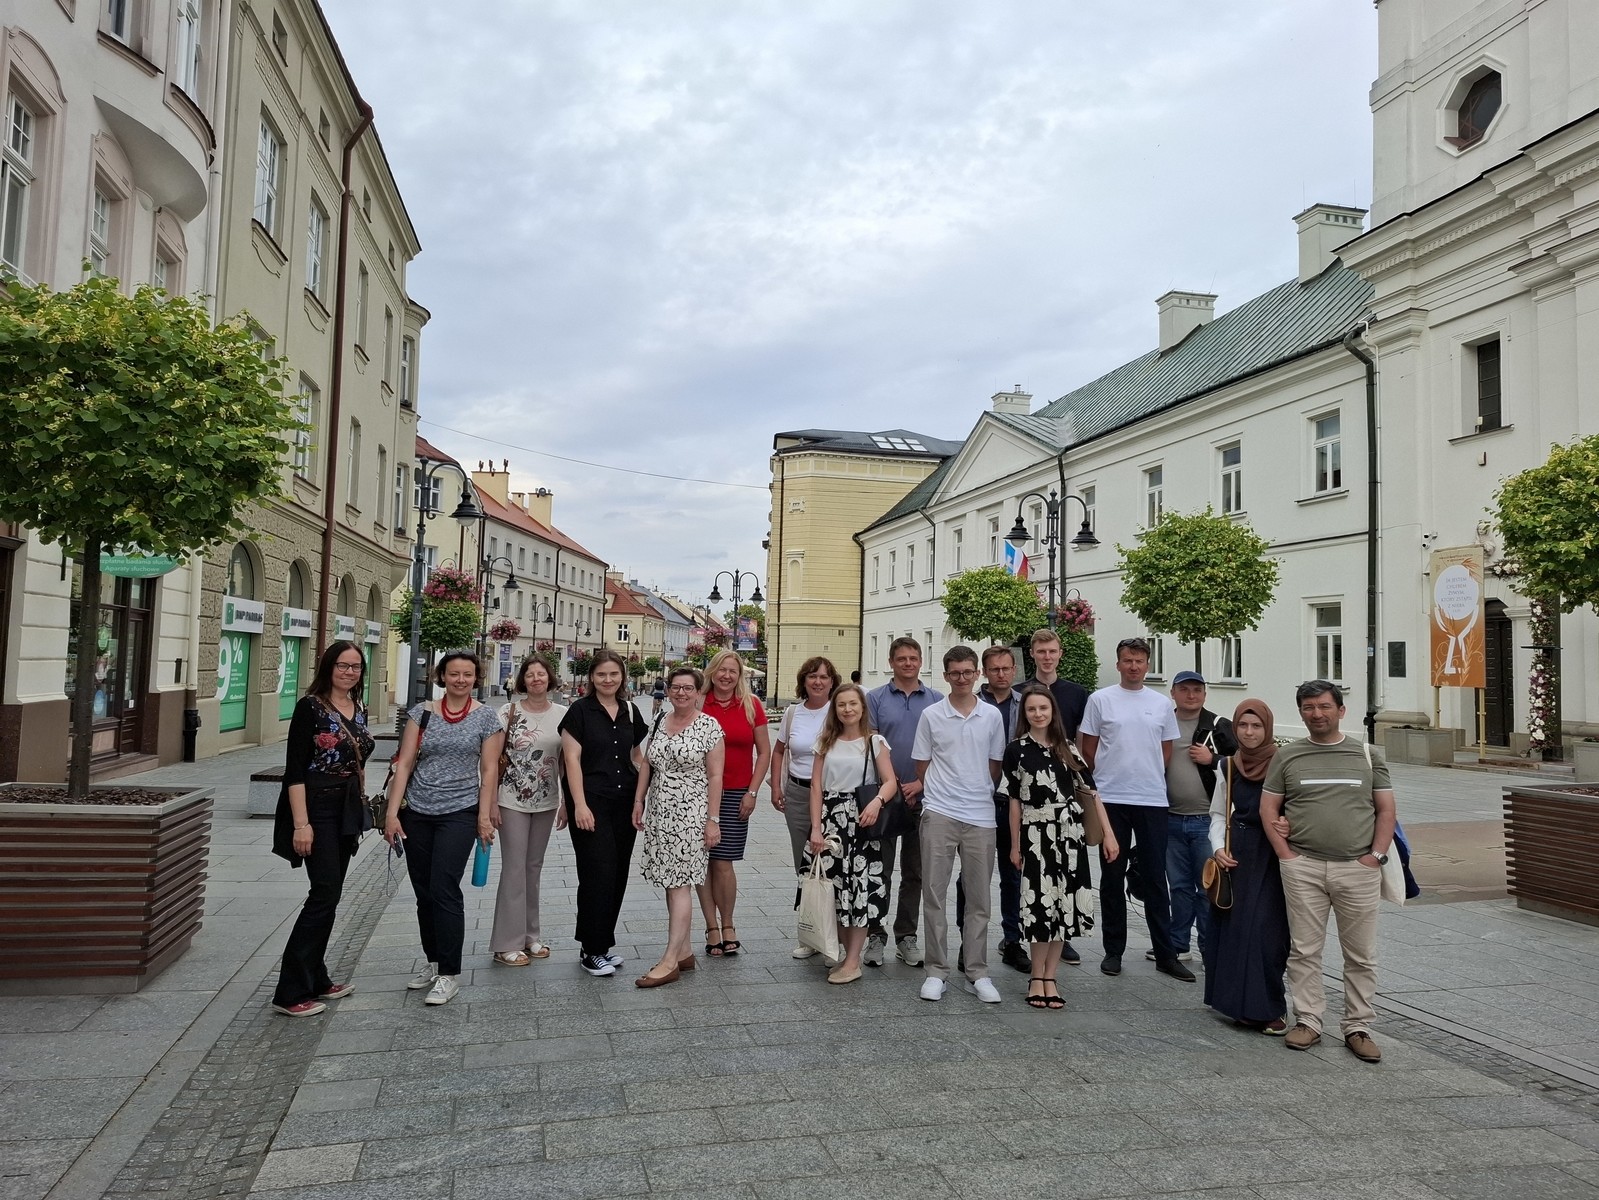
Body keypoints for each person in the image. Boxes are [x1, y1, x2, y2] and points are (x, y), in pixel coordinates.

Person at [1261, 681, 1396, 1063]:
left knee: (1361, 954)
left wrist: (1375, 857)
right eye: (1308, 707)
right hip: (1303, 867)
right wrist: (1287, 857)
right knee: (1304, 950)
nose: (1316, 714)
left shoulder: (1366, 755)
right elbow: (1269, 809)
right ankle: (1308, 1021)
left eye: (1323, 706)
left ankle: (1358, 1026)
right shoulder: (1288, 756)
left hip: (1357, 868)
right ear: (1301, 712)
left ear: (1341, 710)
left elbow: (1386, 809)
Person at [383, 650, 505, 1007]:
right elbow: (405, 764)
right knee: (423, 891)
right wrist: (392, 814)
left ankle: (449, 973)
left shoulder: (486, 717)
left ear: (476, 678)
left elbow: (489, 770)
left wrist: (484, 816)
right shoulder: (421, 713)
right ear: (443, 676)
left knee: (444, 887)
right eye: (454, 674)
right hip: (417, 811)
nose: (460, 680)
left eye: (467, 674)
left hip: (460, 812)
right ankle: (434, 961)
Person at [1077, 637, 1194, 982]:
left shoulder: (1160, 704)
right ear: (1118, 664)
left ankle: (1165, 954)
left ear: (1147, 665)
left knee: (1155, 877)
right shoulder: (1101, 700)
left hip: (1151, 799)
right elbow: (1088, 750)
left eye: (1139, 661)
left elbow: (1165, 751)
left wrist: (1147, 775)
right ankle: (1113, 951)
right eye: (1127, 660)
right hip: (1111, 799)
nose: (1133, 666)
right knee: (1112, 876)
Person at [270, 641, 374, 1017]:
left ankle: (316, 977)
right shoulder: (310, 708)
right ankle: (289, 992)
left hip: (346, 809)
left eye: (356, 667)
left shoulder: (358, 707)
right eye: (343, 665)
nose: (349, 672)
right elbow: (295, 771)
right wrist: (302, 824)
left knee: (331, 895)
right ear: (328, 667)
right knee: (323, 894)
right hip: (317, 808)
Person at [1004, 684, 1119, 1009]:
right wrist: (1015, 845)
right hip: (1035, 836)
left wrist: (1109, 834)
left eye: (1043, 708)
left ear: (1052, 710)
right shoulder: (1016, 750)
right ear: (1025, 714)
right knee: (1039, 907)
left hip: (1069, 837)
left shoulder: (1067, 747)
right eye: (1031, 709)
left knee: (1063, 909)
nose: (1038, 713)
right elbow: (1014, 801)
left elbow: (1091, 793)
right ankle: (1036, 977)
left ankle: (1051, 977)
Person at [912, 646, 1006, 1003]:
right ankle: (936, 970)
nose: (962, 678)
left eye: (968, 672)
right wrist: (943, 792)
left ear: (977, 674)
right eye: (955, 673)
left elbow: (995, 765)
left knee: (979, 898)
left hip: (980, 815)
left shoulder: (991, 716)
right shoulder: (932, 715)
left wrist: (974, 788)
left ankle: (977, 971)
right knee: (934, 894)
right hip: (940, 811)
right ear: (946, 675)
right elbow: (922, 764)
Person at [559, 649, 649, 976]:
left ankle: (602, 946)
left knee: (617, 873)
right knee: (597, 872)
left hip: (623, 801)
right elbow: (571, 760)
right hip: (591, 801)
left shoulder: (630, 711)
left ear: (622, 677)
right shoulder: (579, 712)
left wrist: (645, 793)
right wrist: (578, 804)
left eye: (613, 674)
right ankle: (591, 949)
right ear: (591, 678)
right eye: (601, 674)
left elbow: (636, 756)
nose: (607, 680)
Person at [632, 666, 724, 987]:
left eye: (688, 688)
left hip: (691, 815)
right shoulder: (660, 720)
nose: (681, 693)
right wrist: (639, 800)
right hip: (660, 812)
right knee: (671, 882)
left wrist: (713, 820)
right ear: (668, 690)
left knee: (680, 883)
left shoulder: (709, 726)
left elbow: (716, 776)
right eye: (676, 687)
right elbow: (647, 763)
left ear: (699, 693)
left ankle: (670, 959)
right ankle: (684, 951)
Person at [1203, 699, 1288, 1034]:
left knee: (1267, 933)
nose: (1249, 733)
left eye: (1256, 726)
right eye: (1243, 725)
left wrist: (1289, 826)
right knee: (1234, 932)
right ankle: (1236, 1005)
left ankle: (1270, 1007)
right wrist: (1219, 848)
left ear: (1268, 728)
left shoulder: (1283, 764)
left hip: (1271, 854)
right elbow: (1218, 813)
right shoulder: (1228, 765)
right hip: (1237, 855)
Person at [805, 683, 897, 984]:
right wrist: (815, 827)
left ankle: (854, 960)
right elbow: (816, 786)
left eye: (853, 704)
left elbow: (890, 781)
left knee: (859, 891)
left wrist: (877, 802)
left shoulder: (874, 742)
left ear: (862, 707)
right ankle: (846, 954)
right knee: (834, 890)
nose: (847, 709)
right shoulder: (825, 742)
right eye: (841, 704)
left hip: (862, 820)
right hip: (830, 822)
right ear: (835, 709)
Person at [866, 637, 942, 969]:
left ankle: (906, 936)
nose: (908, 663)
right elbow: (871, 743)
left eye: (913, 658)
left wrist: (920, 782)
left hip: (925, 797)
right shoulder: (875, 698)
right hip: (884, 798)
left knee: (915, 873)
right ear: (891, 662)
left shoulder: (936, 700)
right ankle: (874, 934)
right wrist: (892, 785)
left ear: (921, 661)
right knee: (878, 870)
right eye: (901, 658)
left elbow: (942, 748)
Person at [490, 652, 568, 966]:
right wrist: (490, 803)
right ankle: (506, 942)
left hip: (546, 800)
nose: (536, 679)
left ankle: (530, 936)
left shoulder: (563, 714)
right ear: (523, 680)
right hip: (511, 799)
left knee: (533, 867)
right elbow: (492, 761)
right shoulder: (508, 712)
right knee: (514, 867)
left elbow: (567, 762)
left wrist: (567, 802)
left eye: (541, 674)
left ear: (550, 679)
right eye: (530, 674)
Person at [953, 645, 1027, 974]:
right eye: (994, 669)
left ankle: (1012, 940)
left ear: (1014, 670)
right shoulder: (970, 703)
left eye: (1006, 668)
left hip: (1014, 801)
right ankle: (967, 941)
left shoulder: (1025, 704)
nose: (1001, 674)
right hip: (975, 801)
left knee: (1013, 872)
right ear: (984, 671)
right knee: (970, 876)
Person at [696, 649, 771, 957]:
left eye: (733, 671)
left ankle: (727, 923)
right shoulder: (699, 703)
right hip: (698, 793)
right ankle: (711, 926)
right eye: (722, 670)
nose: (726, 676)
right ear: (712, 672)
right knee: (701, 861)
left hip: (736, 793)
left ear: (740, 676)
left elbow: (764, 752)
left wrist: (752, 792)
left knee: (723, 861)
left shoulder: (751, 705)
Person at [1160, 670, 1237, 965]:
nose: (1191, 695)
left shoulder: (1218, 726)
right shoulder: (1163, 723)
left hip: (1206, 821)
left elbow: (1243, 763)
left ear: (1205, 694)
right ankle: (1179, 944)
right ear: (1173, 693)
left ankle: (1210, 946)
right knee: (1178, 887)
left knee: (1208, 887)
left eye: (1197, 690)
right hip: (1170, 818)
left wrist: (1213, 760)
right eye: (1184, 689)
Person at [770, 656, 839, 958]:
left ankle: (835, 936)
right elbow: (779, 750)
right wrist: (776, 786)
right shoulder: (792, 713)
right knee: (805, 865)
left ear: (832, 681)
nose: (818, 682)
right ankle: (811, 934)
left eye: (823, 677)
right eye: (812, 676)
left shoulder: (838, 711)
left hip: (833, 796)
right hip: (798, 794)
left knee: (834, 865)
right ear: (804, 681)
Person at [1027, 627, 1089, 738]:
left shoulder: (1077, 693)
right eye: (1041, 652)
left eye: (1052, 651)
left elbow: (1081, 736)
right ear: (1032, 653)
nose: (1047, 657)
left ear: (1060, 653)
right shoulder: (1019, 692)